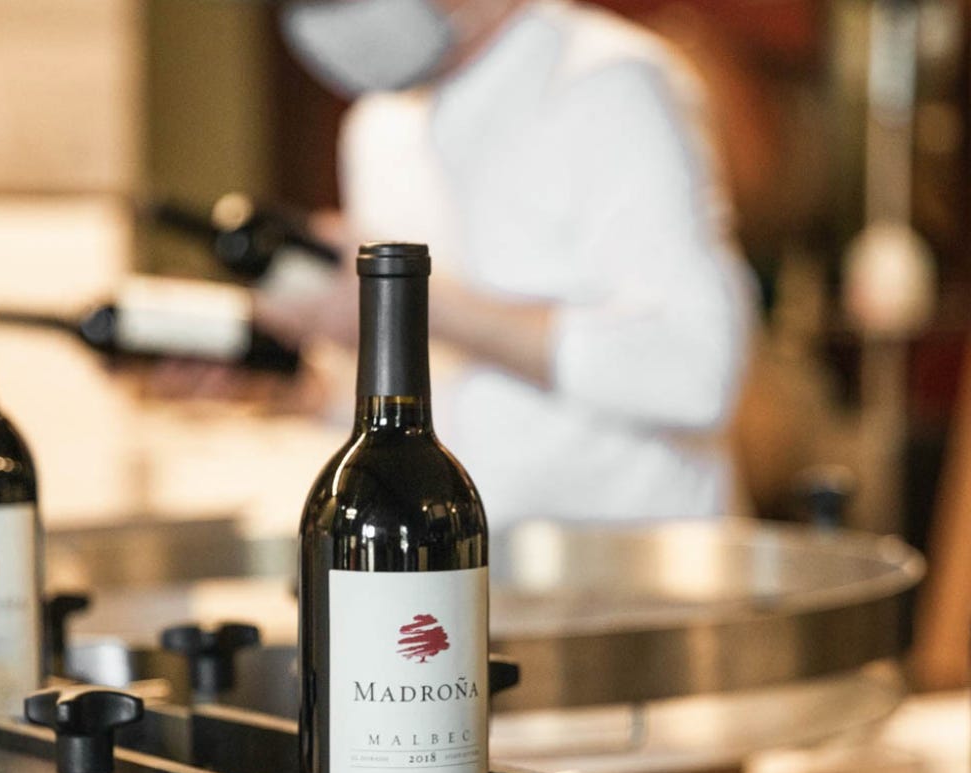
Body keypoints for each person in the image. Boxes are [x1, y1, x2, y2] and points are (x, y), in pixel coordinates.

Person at [163, 0, 757, 528]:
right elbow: (440, 395)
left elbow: (695, 374)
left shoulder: (608, 81)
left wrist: (413, 305)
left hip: (631, 565)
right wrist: (288, 386)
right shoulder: (378, 126)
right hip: (467, 563)